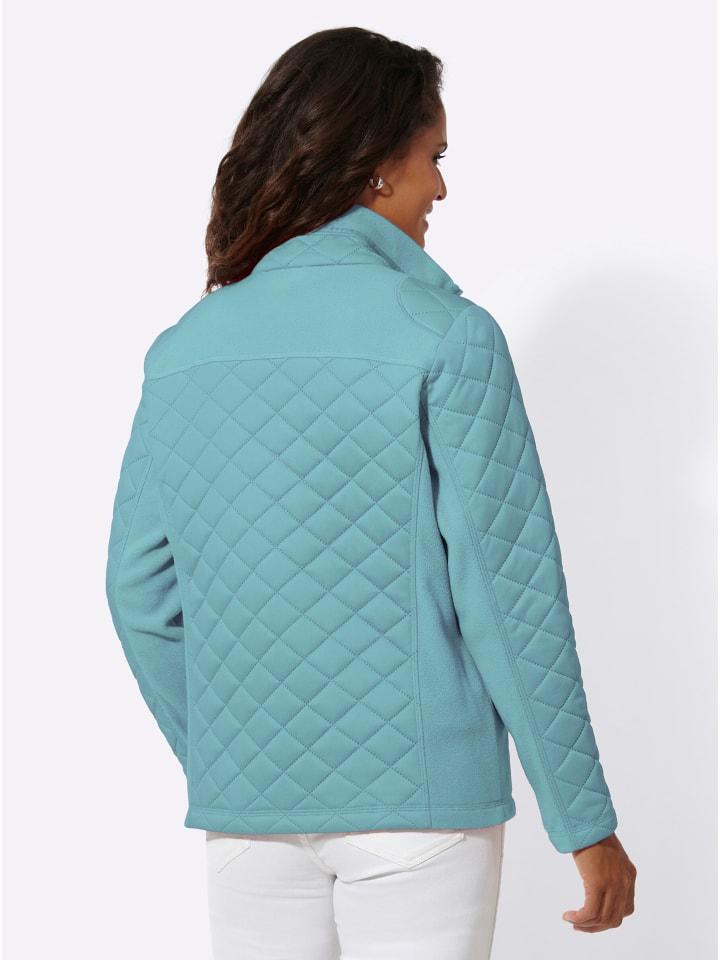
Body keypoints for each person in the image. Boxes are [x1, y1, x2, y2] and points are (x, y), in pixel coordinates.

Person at [105, 26, 637, 960]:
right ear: (376, 164)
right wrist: (585, 820)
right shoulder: (449, 336)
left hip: (249, 822)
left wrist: (236, 760)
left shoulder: (183, 350)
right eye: (434, 158)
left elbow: (138, 596)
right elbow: (510, 599)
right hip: (420, 813)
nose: (441, 189)